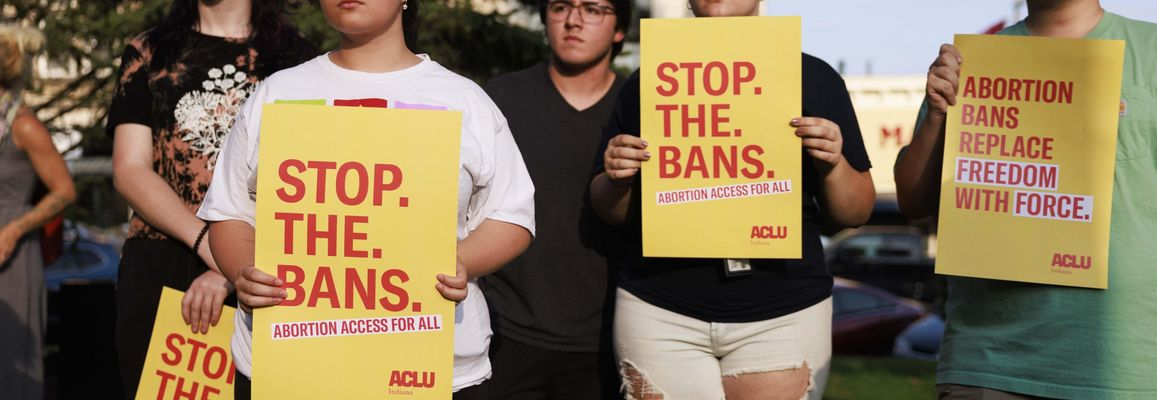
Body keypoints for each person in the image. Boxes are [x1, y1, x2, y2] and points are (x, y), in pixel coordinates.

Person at [196, 0, 536, 398]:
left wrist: (460, 262)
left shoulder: (465, 100)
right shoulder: (276, 93)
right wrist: (243, 271)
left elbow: (512, 215)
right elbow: (230, 210)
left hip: (430, 370)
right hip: (288, 367)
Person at [893, 1, 1157, 398]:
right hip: (987, 359)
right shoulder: (974, 62)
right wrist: (937, 115)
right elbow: (913, 200)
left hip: (1130, 362)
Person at [589, 0, 875, 398]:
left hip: (783, 314)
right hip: (659, 310)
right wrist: (617, 178)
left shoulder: (814, 77)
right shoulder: (648, 80)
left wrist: (833, 163)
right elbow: (609, 210)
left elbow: (856, 211)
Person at [107, 0, 315, 396]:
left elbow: (305, 179)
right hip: (163, 263)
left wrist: (230, 269)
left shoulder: (296, 59)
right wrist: (209, 244)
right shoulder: (149, 52)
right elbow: (130, 169)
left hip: (264, 272)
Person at [479, 0, 630, 398]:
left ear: (620, 28)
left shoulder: (636, 107)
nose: (573, 20)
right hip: (505, 328)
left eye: (593, 9)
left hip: (604, 337)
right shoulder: (500, 96)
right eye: (561, 6)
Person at [0, 25, 76, 400]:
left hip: (11, 254)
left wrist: (14, 229)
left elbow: (64, 190)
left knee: (13, 364)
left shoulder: (23, 125)